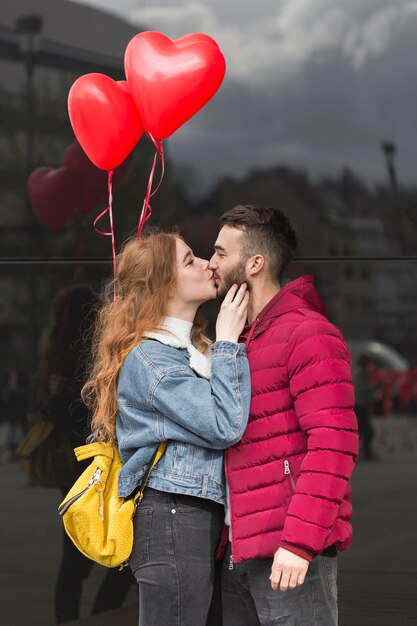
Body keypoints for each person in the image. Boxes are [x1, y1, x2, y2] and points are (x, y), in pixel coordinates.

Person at [81, 230, 251, 626]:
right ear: (163, 284)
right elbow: (225, 424)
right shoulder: (151, 360)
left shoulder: (197, 350)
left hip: (196, 518)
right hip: (173, 518)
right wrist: (228, 341)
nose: (208, 263)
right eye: (189, 260)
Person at [209, 205, 359, 626]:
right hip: (238, 554)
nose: (211, 263)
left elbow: (335, 444)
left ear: (255, 263)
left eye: (221, 253)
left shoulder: (308, 333)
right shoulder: (234, 339)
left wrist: (299, 543)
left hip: (290, 555)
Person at [35, 284, 134, 623]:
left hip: (80, 469)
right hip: (94, 466)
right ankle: (96, 617)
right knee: (115, 556)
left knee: (80, 557)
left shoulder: (58, 362)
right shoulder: (86, 363)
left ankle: (79, 618)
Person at [353, 355, 377, 460]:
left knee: (362, 431)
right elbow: (362, 390)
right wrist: (374, 387)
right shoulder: (359, 374)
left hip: (360, 406)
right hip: (359, 406)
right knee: (367, 431)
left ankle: (361, 452)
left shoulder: (361, 373)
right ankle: (366, 452)